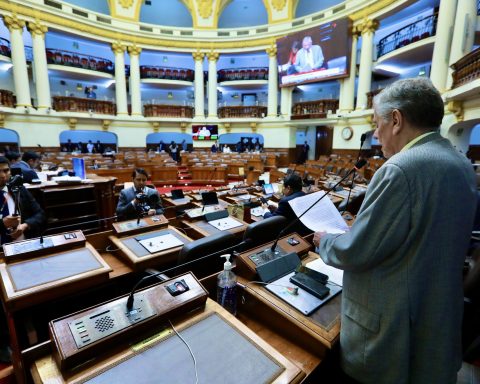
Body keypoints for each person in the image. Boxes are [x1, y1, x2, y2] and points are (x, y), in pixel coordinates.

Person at [313, 78, 476, 383]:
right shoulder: (460, 162)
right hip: (437, 319)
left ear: (397, 120)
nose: (376, 133)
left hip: (393, 331)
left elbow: (357, 250)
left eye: (377, 124)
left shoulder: (400, 168)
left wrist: (326, 241)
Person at [0, 156, 46, 245]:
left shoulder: (19, 189)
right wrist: (2, 223)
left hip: (22, 245)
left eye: (6, 171)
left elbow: (40, 214)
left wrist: (25, 225)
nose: (3, 175)